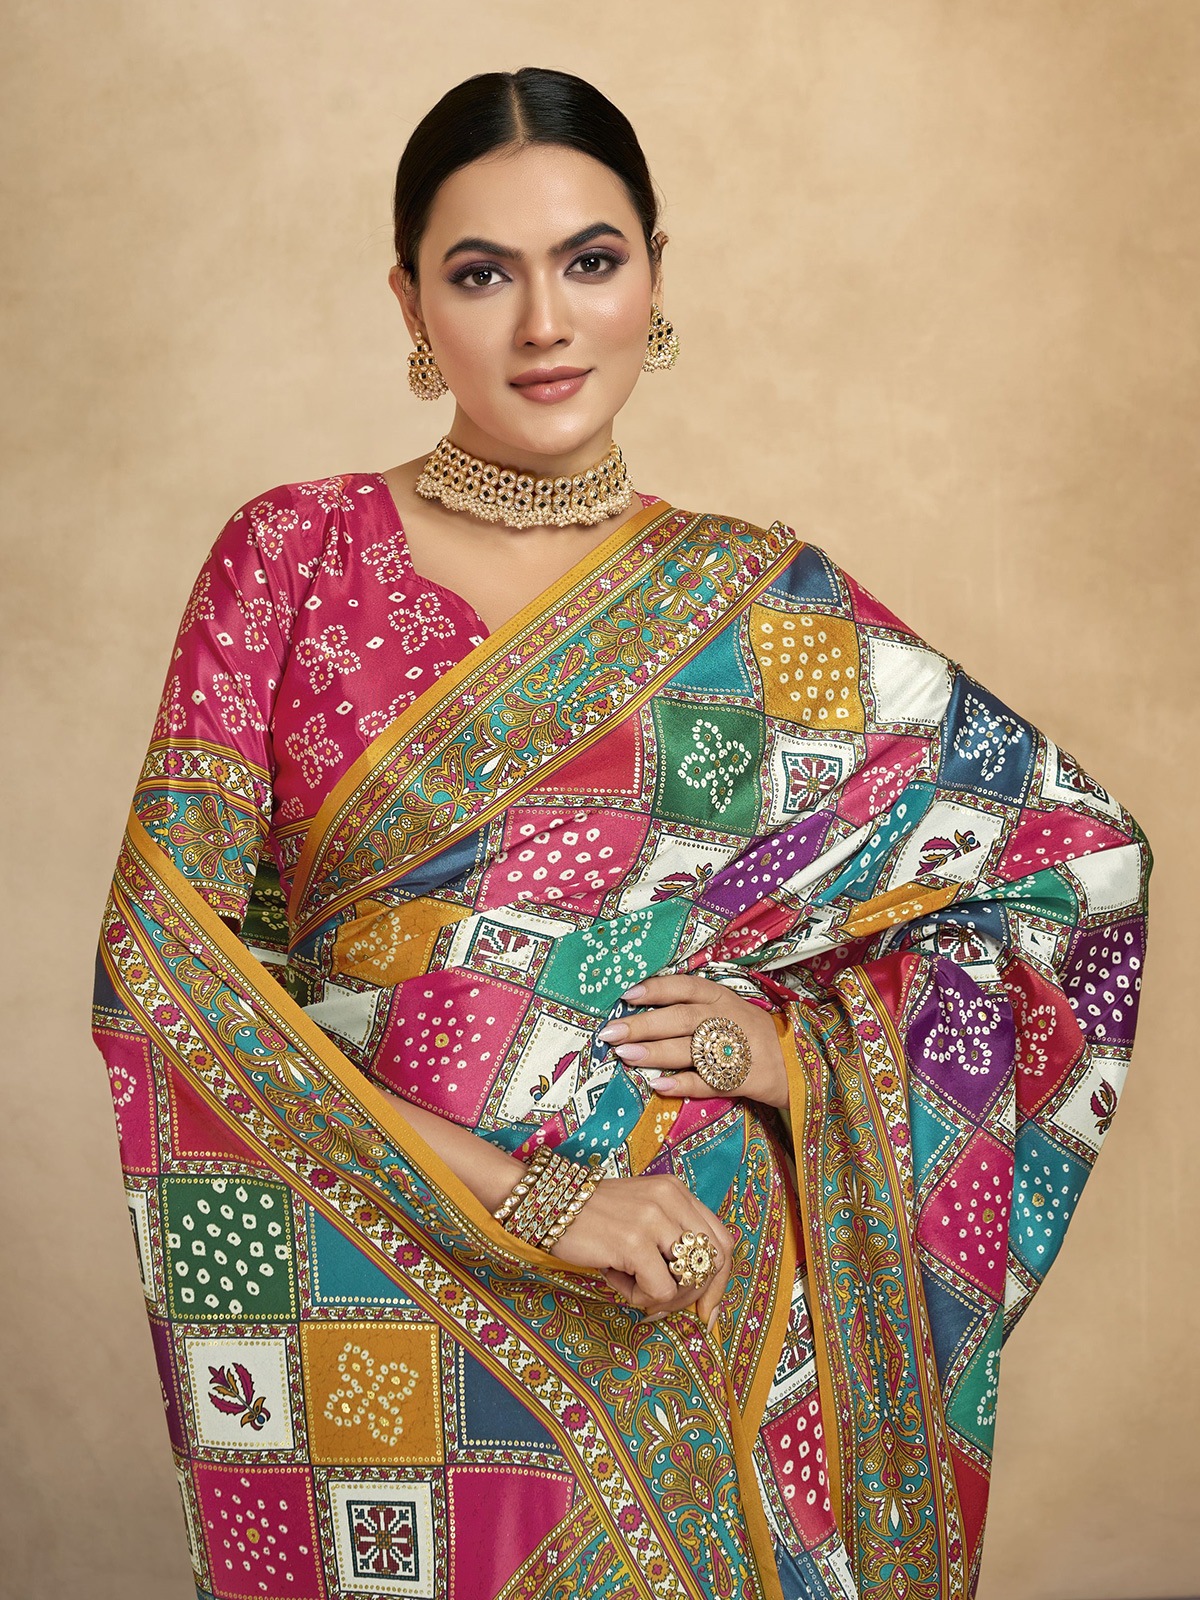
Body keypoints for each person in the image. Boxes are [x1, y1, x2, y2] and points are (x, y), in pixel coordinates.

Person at [92, 66, 1151, 1600]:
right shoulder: (295, 558)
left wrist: (797, 1058)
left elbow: (1067, 870)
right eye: (482, 274)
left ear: (654, 276)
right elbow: (168, 978)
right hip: (397, 1305)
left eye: (590, 260)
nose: (545, 323)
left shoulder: (768, 608)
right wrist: (535, 1199)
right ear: (408, 303)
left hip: (702, 1309)